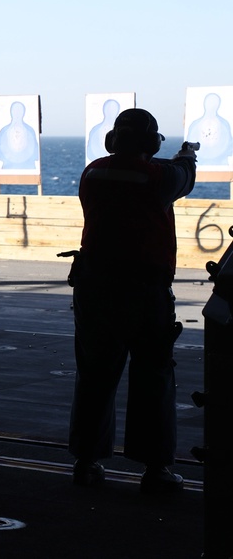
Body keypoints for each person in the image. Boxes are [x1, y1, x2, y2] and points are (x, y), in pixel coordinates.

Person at [67, 107, 196, 494]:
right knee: (154, 378)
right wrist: (187, 155)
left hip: (95, 287)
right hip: (145, 292)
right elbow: (183, 177)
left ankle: (86, 463)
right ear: (150, 143)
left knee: (94, 376)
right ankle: (156, 470)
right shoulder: (157, 175)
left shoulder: (93, 171)